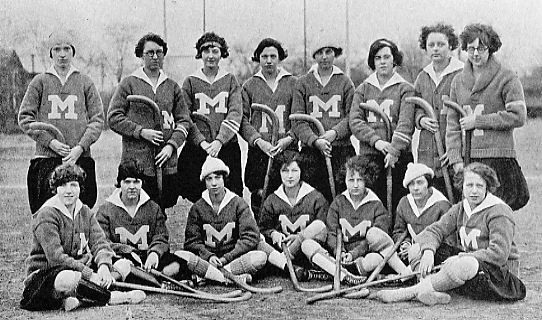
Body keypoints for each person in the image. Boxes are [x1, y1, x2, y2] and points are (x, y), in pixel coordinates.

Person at [376, 162, 526, 305]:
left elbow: (498, 254)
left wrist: (462, 257)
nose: (474, 190)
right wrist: (428, 250)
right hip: (468, 273)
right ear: (462, 186)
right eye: (469, 185)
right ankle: (430, 290)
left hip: (499, 278)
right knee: (418, 248)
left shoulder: (498, 211)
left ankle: (410, 292)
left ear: (488, 187)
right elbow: (435, 230)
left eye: (479, 186)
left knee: (466, 263)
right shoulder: (461, 207)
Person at [20, 163, 146, 312]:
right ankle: (116, 297)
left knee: (123, 265)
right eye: (63, 185)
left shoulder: (85, 211)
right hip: (46, 277)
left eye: (73, 185)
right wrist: (90, 275)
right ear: (55, 189)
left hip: (81, 271)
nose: (68, 191)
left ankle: (78, 300)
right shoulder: (46, 214)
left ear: (80, 188)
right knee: (68, 279)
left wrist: (104, 266)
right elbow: (56, 259)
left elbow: (100, 243)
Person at [97, 159, 231, 286]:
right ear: (119, 183)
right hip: (123, 260)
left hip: (150, 262)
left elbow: (161, 236)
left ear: (142, 183)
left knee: (180, 259)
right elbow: (103, 242)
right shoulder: (106, 210)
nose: (132, 187)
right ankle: (159, 282)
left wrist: (154, 253)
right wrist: (127, 252)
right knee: (120, 268)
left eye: (136, 182)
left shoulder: (153, 207)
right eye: (127, 182)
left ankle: (221, 278)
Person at [446, 23, 529, 211]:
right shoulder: (458, 81)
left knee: (500, 207)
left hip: (499, 155)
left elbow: (518, 116)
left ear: (490, 48)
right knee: (472, 209)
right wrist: (455, 158)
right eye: (471, 48)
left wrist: (478, 121)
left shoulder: (507, 77)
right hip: (470, 157)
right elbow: (452, 124)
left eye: (481, 48)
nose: (476, 53)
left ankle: (502, 240)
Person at [18, 30, 102, 214]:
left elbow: (97, 120)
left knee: (80, 215)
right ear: (51, 53)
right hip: (47, 159)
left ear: (73, 51)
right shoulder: (39, 81)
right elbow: (25, 118)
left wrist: (80, 147)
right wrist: (51, 142)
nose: (62, 54)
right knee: (47, 213)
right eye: (57, 49)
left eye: (66, 48)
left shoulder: (84, 81)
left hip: (79, 158)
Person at [108, 33, 191, 209]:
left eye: (159, 52)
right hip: (137, 163)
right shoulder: (129, 83)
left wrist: (171, 146)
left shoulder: (172, 86)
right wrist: (140, 131)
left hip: (165, 159)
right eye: (150, 52)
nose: (155, 57)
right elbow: (113, 117)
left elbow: (184, 120)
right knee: (138, 208)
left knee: (163, 207)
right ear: (140, 55)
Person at [301, 156, 407, 285]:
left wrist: (353, 254)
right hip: (338, 258)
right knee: (306, 245)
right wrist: (339, 252)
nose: (355, 185)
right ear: (344, 180)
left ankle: (332, 273)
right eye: (351, 180)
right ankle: (343, 274)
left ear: (366, 180)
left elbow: (376, 239)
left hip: (362, 259)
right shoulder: (338, 202)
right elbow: (331, 233)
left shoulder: (376, 206)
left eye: (360, 180)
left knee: (377, 258)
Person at [350, 38, 416, 216]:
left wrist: (394, 150)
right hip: (370, 155)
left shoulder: (405, 88)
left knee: (398, 202)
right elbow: (355, 121)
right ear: (373, 61)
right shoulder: (363, 89)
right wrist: (377, 142)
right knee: (373, 204)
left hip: (397, 157)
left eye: (387, 57)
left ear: (394, 59)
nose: (383, 61)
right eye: (378, 58)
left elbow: (406, 123)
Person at [177, 32, 244, 203]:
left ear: (222, 53)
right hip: (198, 148)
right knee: (197, 196)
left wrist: (220, 141)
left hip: (226, 146)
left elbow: (235, 113)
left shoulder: (230, 80)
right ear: (200, 54)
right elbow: (185, 116)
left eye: (215, 51)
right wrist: (202, 142)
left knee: (231, 195)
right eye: (206, 51)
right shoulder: (190, 81)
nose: (211, 55)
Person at [240, 38, 298, 219]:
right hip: (260, 151)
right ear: (258, 58)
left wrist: (290, 137)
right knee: (259, 193)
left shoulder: (293, 82)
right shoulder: (249, 85)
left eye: (273, 56)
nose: (269, 60)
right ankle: (262, 236)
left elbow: (300, 116)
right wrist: (258, 141)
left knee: (287, 191)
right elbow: (242, 120)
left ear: (280, 57)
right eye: (264, 56)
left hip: (286, 148)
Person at [291, 40, 356, 203]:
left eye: (328, 51)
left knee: (342, 196)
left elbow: (353, 116)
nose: (324, 57)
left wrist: (334, 133)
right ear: (314, 56)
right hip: (312, 151)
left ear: (335, 53)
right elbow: (297, 119)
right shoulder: (303, 83)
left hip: (341, 149)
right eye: (320, 52)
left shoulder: (345, 82)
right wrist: (315, 140)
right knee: (313, 198)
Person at [184, 156, 267, 281]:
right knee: (182, 256)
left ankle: (210, 277)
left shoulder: (238, 203)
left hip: (233, 258)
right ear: (204, 182)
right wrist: (208, 256)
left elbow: (251, 236)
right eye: (209, 179)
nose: (214, 183)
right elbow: (191, 242)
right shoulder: (197, 207)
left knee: (260, 257)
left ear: (224, 179)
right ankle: (229, 277)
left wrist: (227, 257)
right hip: (208, 260)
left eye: (218, 178)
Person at [257, 151, 330, 280]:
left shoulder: (315, 197)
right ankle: (291, 268)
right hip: (282, 250)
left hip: (307, 252)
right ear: (278, 172)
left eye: (294, 170)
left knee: (314, 232)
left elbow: (323, 229)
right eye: (285, 171)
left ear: (302, 171)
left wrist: (298, 238)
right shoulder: (272, 199)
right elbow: (263, 228)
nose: (290, 176)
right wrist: (274, 233)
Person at [414, 23, 464, 199]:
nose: (436, 49)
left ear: (450, 46)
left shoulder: (462, 73)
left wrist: (456, 152)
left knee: (457, 196)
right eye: (431, 45)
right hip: (428, 148)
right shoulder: (423, 76)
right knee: (433, 198)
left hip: (453, 146)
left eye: (441, 44)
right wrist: (420, 119)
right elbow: (415, 107)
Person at [392, 163, 454, 265]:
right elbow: (398, 231)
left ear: (428, 184)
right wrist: (405, 244)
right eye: (411, 184)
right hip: (410, 252)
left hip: (434, 254)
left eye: (420, 183)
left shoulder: (442, 205)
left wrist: (421, 249)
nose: (415, 188)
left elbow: (449, 242)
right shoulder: (404, 203)